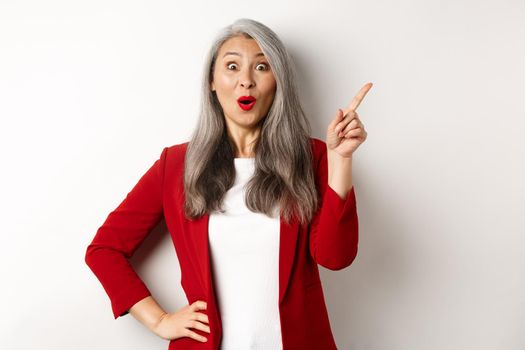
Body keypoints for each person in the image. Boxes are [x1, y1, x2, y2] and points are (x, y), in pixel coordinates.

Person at [85, 17, 372, 350]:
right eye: (232, 66)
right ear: (211, 80)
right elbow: (104, 250)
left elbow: (335, 257)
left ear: (278, 81)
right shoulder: (176, 166)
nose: (246, 82)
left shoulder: (314, 156)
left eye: (262, 67)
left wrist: (341, 160)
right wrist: (160, 321)